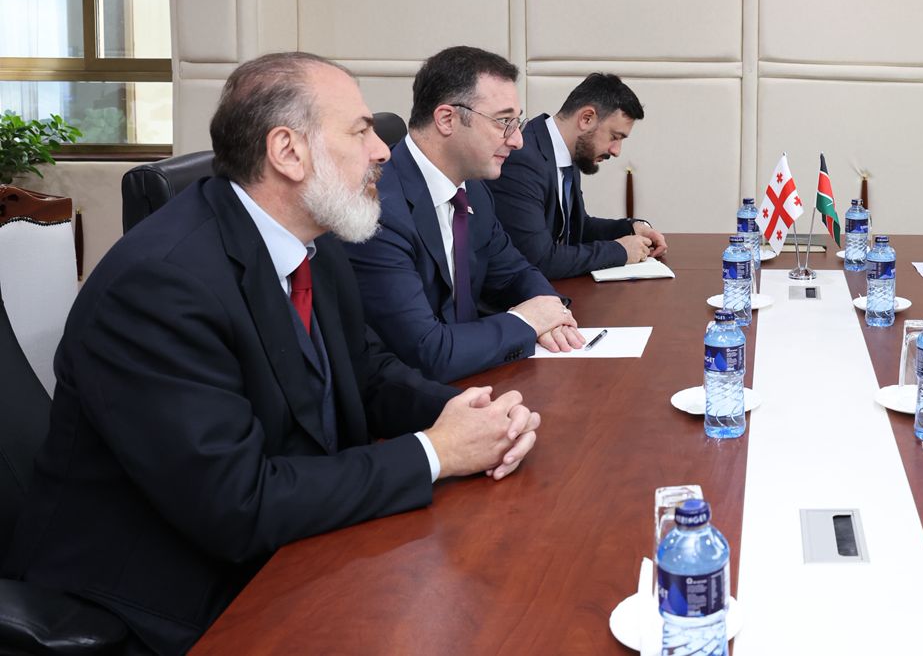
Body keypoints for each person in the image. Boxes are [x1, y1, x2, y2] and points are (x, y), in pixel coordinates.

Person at [4, 52, 540, 655]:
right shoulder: (159, 286)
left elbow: (368, 374)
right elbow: (238, 504)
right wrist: (436, 452)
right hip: (162, 604)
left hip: (286, 549)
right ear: (288, 152)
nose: (383, 151)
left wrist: (469, 415)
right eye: (361, 132)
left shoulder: (315, 240)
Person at [346, 46, 585, 382]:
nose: (517, 140)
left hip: (473, 376)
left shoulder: (473, 189)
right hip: (410, 398)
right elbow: (427, 352)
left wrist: (551, 311)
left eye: (517, 122)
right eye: (504, 122)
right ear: (447, 119)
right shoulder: (378, 210)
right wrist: (528, 321)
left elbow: (514, 272)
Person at [487, 72, 668, 279]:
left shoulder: (565, 153)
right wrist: (620, 251)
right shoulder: (522, 159)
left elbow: (577, 228)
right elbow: (539, 260)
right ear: (586, 118)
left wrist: (631, 228)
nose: (616, 151)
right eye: (614, 137)